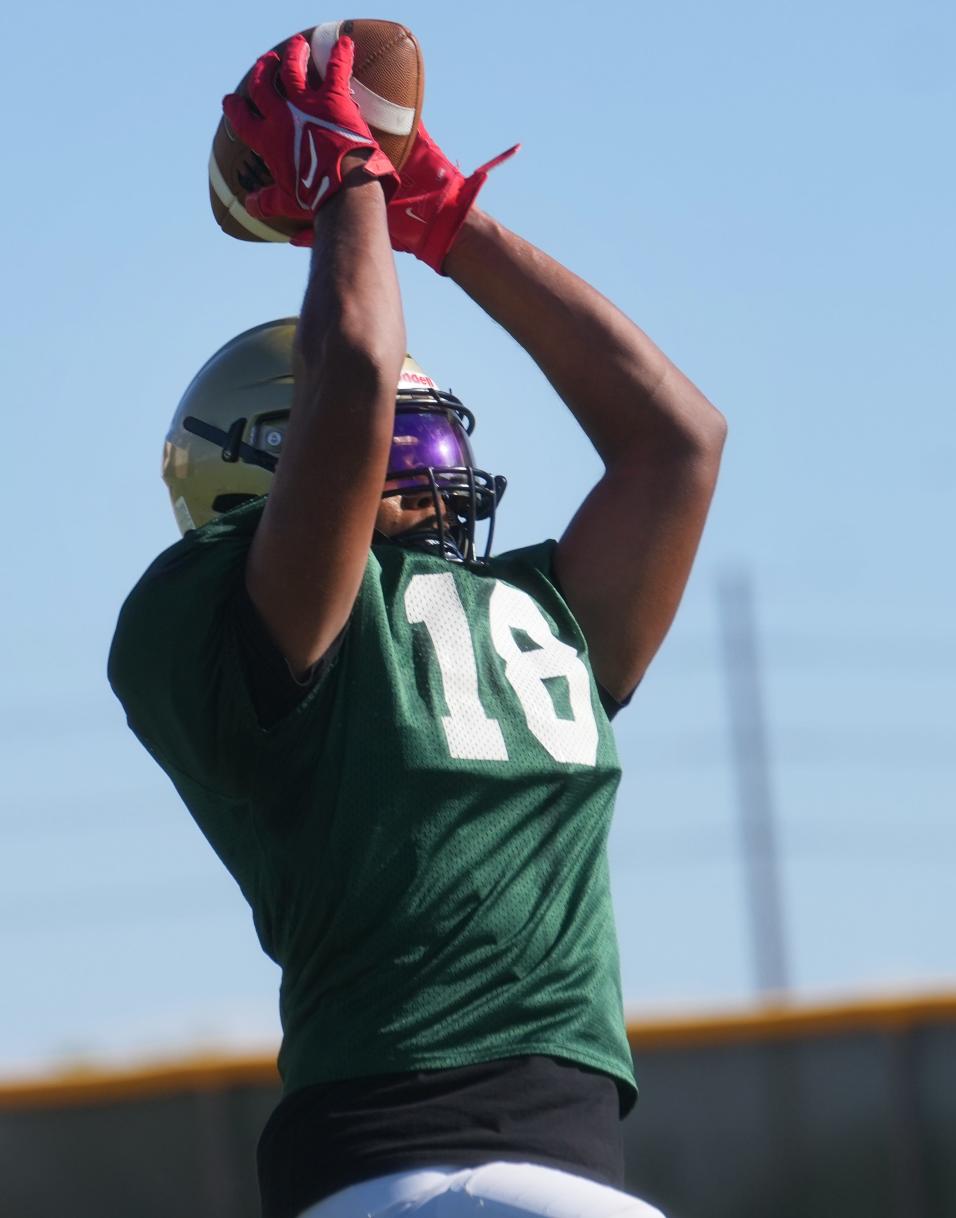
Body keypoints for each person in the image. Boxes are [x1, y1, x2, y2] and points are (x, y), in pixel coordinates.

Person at [109, 34, 725, 1218]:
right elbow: (352, 375)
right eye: (406, 443)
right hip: (401, 1162)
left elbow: (677, 442)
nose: (436, 470)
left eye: (439, 438)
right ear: (264, 475)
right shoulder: (223, 617)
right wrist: (345, 177)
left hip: (550, 1168)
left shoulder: (532, 615)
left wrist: (444, 221)